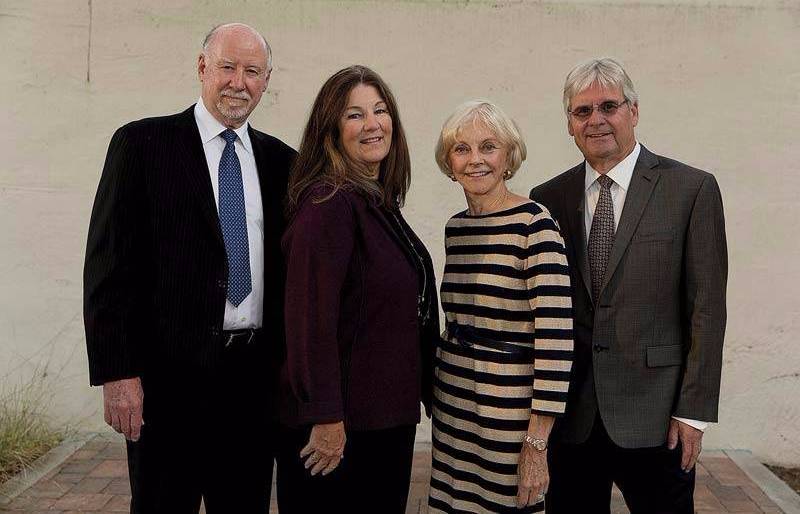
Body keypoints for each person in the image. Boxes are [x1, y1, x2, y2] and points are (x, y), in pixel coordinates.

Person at [83, 23, 295, 513]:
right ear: (202, 68)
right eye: (227, 67)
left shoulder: (283, 162)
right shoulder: (141, 145)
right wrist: (118, 372)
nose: (238, 82)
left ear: (267, 80)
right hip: (166, 385)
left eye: (252, 71)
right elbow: (107, 268)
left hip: (251, 382)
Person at [529, 57, 727, 513]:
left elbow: (707, 307)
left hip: (657, 416)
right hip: (572, 414)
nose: (596, 120)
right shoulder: (548, 198)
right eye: (582, 111)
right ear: (570, 125)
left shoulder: (691, 190)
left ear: (633, 111)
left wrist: (693, 412)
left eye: (609, 106)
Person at [275, 65, 439, 514]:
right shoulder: (328, 205)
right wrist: (326, 417)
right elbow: (308, 321)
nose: (372, 124)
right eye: (354, 114)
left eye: (380, 110)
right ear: (331, 130)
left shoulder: (372, 200)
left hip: (381, 421)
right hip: (342, 430)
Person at [428, 100, 574, 514]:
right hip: (455, 404)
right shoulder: (456, 228)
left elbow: (556, 342)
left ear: (509, 157)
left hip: (508, 415)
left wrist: (536, 442)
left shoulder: (535, 225)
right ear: (449, 162)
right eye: (462, 149)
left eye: (488, 147)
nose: (475, 160)